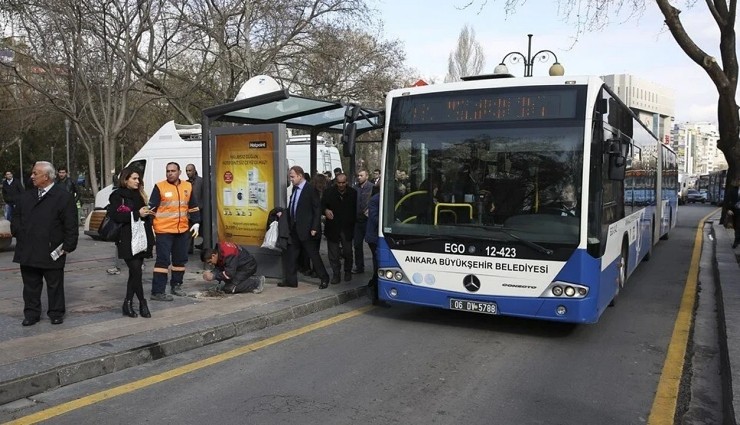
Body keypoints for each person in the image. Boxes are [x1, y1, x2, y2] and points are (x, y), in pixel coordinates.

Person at [11, 161, 78, 326]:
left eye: (35, 173)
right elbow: (16, 219)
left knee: (55, 284)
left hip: (52, 249)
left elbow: (71, 224)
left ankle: (56, 312)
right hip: (28, 248)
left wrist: (68, 246)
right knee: (30, 285)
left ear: (46, 176)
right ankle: (31, 314)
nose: (32, 176)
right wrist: (19, 233)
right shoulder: (26, 196)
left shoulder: (63, 196)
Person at [148, 162, 201, 301]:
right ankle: (157, 291)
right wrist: (150, 227)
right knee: (162, 261)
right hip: (164, 230)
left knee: (180, 260)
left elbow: (193, 206)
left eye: (173, 171)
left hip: (182, 230)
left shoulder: (187, 186)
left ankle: (176, 285)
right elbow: (151, 209)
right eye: (168, 171)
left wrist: (196, 222)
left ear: (179, 172)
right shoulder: (160, 187)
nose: (170, 173)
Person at [107, 167, 155, 318]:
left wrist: (147, 213)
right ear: (125, 179)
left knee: (135, 273)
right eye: (134, 178)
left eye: (138, 178)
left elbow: (143, 216)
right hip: (127, 238)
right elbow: (115, 216)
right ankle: (142, 302)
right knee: (136, 271)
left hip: (142, 237)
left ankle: (127, 303)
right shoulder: (117, 195)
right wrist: (136, 213)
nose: (137, 181)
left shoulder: (140, 194)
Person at [280, 165, 330, 289]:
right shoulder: (294, 189)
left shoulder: (310, 189)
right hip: (294, 228)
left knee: (313, 255)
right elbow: (294, 205)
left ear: (300, 176)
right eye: (290, 177)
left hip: (307, 230)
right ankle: (291, 280)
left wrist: (314, 227)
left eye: (292, 177)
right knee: (291, 255)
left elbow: (317, 209)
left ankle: (324, 278)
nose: (290, 179)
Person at [322, 172, 357, 284]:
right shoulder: (328, 193)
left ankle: (347, 271)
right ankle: (336, 274)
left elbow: (356, 209)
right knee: (333, 254)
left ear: (346, 182)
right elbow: (322, 205)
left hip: (347, 228)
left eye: (343, 183)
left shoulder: (353, 193)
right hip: (333, 227)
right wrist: (326, 211)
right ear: (336, 182)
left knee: (347, 252)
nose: (341, 185)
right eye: (339, 183)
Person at [201, 242, 265, 294]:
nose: (210, 264)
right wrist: (212, 273)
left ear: (213, 255)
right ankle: (245, 280)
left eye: (210, 262)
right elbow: (220, 266)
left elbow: (229, 274)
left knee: (229, 288)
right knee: (226, 280)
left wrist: (213, 276)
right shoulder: (219, 251)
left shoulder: (228, 254)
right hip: (240, 266)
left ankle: (256, 282)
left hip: (248, 267)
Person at [365, 183, 386, 305]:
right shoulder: (375, 200)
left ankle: (373, 285)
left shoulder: (383, 198)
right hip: (374, 237)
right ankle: (376, 295)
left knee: (379, 265)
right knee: (378, 265)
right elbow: (374, 218)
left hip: (379, 237)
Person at [352, 169, 373, 274]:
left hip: (368, 221)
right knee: (357, 244)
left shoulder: (372, 188)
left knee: (372, 244)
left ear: (367, 176)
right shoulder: (355, 188)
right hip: (357, 221)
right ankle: (359, 267)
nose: (359, 177)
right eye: (358, 175)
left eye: (361, 175)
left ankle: (376, 267)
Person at [185, 163, 204, 253]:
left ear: (194, 170)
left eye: (190, 170)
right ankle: (188, 250)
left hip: (201, 210)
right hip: (190, 211)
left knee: (203, 230)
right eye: (187, 171)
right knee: (189, 231)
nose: (188, 172)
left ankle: (205, 247)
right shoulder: (186, 183)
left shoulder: (200, 181)